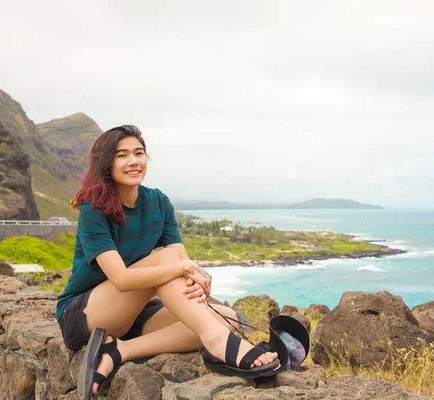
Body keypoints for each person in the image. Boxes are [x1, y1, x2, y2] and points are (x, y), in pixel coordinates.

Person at [56, 125, 279, 399]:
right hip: (86, 315)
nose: (133, 161)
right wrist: (183, 268)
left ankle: (120, 351)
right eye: (122, 155)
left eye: (139, 153)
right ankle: (217, 341)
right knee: (167, 260)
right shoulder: (94, 209)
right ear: (106, 164)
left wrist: (198, 280)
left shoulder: (158, 202)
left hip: (132, 313)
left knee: (227, 318)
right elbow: (123, 279)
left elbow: (183, 263)